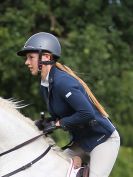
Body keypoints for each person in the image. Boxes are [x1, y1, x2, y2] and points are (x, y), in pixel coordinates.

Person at [17, 32, 120, 177]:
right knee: (49, 168)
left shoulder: (62, 82)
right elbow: (63, 116)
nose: (27, 62)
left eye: (31, 57)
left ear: (46, 57)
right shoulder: (45, 84)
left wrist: (58, 124)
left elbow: (86, 113)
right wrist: (47, 123)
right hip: (81, 142)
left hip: (102, 141)